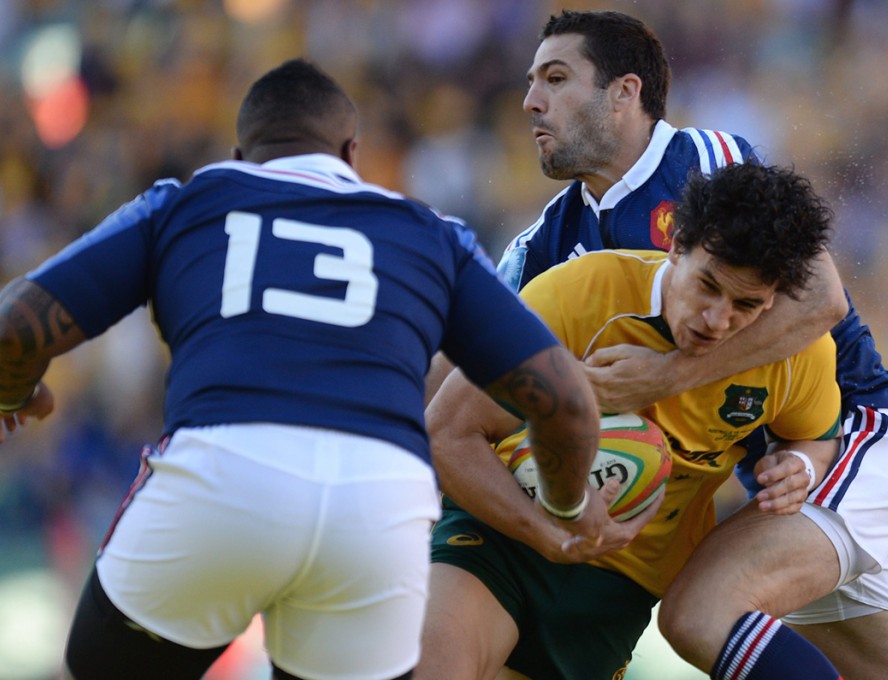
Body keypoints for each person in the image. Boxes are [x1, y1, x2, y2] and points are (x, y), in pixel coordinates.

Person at [0, 58, 608, 680]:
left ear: (241, 155)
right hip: (377, 502)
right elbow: (564, 402)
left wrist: (14, 391)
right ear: (351, 152)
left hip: (224, 471)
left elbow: (14, 324)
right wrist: (563, 510)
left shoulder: (189, 202)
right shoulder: (431, 235)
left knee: (101, 667)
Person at [495, 9, 888, 680]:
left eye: (556, 78)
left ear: (625, 94)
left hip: (857, 436)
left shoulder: (703, 164)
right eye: (532, 81)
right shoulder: (542, 249)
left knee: (699, 612)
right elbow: (464, 393)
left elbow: (821, 300)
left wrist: (663, 378)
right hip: (780, 483)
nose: (532, 99)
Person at [418, 162, 845, 680]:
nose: (717, 319)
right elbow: (447, 432)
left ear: (774, 299)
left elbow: (814, 437)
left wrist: (801, 464)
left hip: (620, 591)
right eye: (708, 285)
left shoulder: (798, 357)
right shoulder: (582, 294)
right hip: (500, 538)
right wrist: (547, 530)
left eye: (746, 305)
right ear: (677, 243)